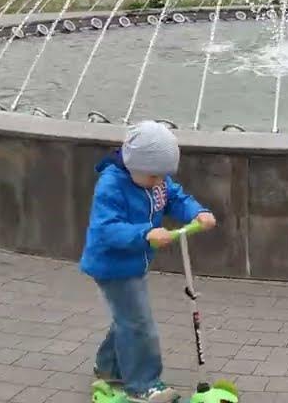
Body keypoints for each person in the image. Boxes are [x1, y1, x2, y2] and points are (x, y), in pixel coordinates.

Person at [79, 120, 217, 403]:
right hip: (113, 265)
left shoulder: (157, 180)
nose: (159, 183)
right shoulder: (111, 185)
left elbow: (176, 198)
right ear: (132, 164)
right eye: (154, 177)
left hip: (135, 261)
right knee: (139, 324)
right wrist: (146, 233)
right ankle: (143, 384)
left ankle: (108, 367)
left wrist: (198, 212)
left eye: (162, 177)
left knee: (127, 320)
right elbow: (107, 228)